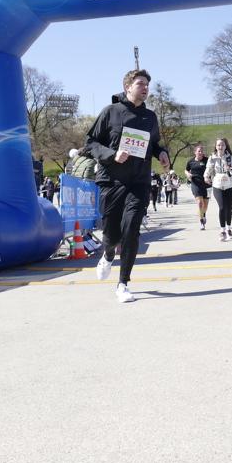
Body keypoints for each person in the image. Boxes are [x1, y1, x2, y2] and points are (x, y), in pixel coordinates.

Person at [85, 69, 170, 304]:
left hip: (139, 182)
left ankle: (123, 283)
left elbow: (154, 143)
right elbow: (90, 142)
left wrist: (162, 152)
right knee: (111, 234)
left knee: (132, 229)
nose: (145, 88)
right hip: (112, 181)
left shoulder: (150, 117)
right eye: (140, 83)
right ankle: (108, 253)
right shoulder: (110, 112)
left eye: (147, 84)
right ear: (127, 87)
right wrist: (112, 155)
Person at [205, 137, 232, 241]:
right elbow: (208, 169)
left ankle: (229, 229)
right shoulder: (212, 158)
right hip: (217, 185)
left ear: (226, 146)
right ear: (216, 147)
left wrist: (230, 169)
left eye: (222, 145)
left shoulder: (231, 158)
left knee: (229, 208)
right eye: (218, 145)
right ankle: (222, 231)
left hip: (230, 185)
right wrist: (206, 176)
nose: (220, 147)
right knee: (221, 207)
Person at [185, 143, 210, 230]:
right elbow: (186, 170)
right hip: (196, 184)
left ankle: (203, 215)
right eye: (199, 151)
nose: (201, 152)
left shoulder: (207, 160)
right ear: (195, 152)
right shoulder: (190, 161)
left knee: (205, 206)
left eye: (202, 151)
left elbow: (212, 167)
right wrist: (188, 174)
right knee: (200, 203)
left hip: (207, 185)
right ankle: (201, 222)